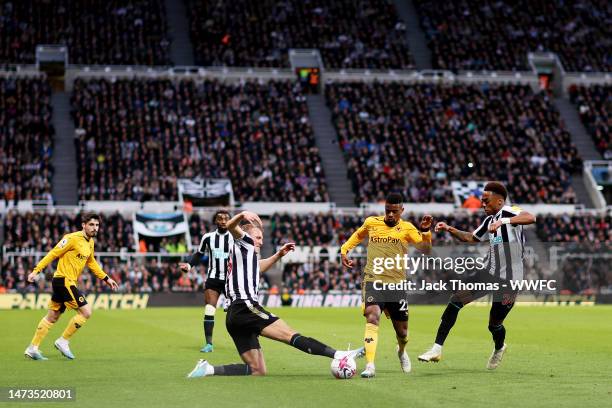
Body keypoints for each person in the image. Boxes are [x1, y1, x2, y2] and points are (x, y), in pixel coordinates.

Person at [187, 211, 363, 377]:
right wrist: (242, 215)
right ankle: (339, 354)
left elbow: (258, 267)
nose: (261, 242)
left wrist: (278, 255)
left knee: (258, 370)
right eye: (258, 237)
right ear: (247, 235)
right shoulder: (245, 241)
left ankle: (208, 369)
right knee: (291, 335)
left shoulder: (243, 254)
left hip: (233, 316)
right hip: (245, 306)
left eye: (262, 238)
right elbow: (232, 226)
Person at [418, 181, 536, 369]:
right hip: (487, 275)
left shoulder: (510, 211)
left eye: (486, 201)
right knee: (455, 301)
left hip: (510, 281)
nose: (482, 204)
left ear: (499, 202)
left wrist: (503, 221)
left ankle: (499, 347)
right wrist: (450, 229)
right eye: (482, 201)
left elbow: (531, 217)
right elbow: (471, 238)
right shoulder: (489, 221)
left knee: (494, 324)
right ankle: (436, 349)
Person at [341, 193, 433, 378]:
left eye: (394, 212)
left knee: (403, 332)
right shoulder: (372, 222)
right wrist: (344, 250)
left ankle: (401, 350)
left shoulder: (407, 228)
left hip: (397, 284)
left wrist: (425, 231)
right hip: (373, 280)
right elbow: (358, 235)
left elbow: (426, 249)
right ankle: (370, 365)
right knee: (372, 316)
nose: (390, 215)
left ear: (402, 211)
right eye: (388, 211)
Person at [24, 212, 119, 360]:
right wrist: (36, 270)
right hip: (64, 281)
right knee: (86, 312)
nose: (95, 228)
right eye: (92, 225)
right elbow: (53, 253)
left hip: (64, 282)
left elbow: (92, 263)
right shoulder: (71, 238)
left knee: (52, 317)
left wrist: (106, 278)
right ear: (84, 225)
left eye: (97, 225)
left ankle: (32, 348)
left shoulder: (90, 243)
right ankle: (63, 341)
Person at [179, 210, 232, 352]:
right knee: (209, 309)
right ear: (215, 221)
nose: (223, 221)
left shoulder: (235, 238)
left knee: (239, 313)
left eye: (226, 218)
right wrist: (189, 265)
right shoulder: (208, 237)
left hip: (231, 280)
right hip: (213, 278)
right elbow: (198, 254)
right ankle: (209, 344)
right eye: (220, 218)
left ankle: (248, 342)